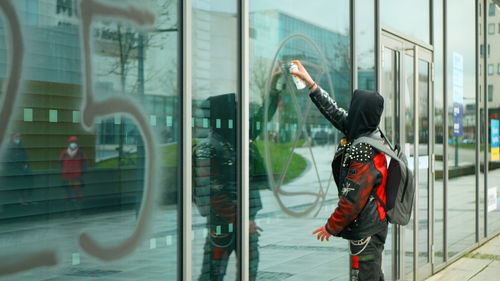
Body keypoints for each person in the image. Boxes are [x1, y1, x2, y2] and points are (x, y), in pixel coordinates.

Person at [291, 60, 389, 280]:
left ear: (360, 111)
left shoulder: (363, 151)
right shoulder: (367, 132)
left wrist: (330, 226)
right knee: (371, 275)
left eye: (354, 107)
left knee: (364, 277)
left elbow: (351, 201)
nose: (350, 111)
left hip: (367, 229)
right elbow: (334, 112)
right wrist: (310, 84)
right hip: (372, 224)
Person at [1, 133, 34, 205]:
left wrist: (26, 164)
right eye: (16, 136)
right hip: (14, 169)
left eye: (19, 136)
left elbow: (26, 157)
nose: (18, 138)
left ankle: (29, 198)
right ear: (13, 137)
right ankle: (21, 199)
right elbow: (8, 160)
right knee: (20, 180)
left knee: (31, 178)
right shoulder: (9, 147)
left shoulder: (21, 146)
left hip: (23, 168)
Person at [59, 136, 87, 210]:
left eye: (74, 142)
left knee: (78, 193)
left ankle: (78, 209)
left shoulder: (81, 153)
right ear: (68, 144)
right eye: (71, 142)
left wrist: (81, 173)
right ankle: (68, 209)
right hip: (66, 177)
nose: (73, 144)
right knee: (68, 194)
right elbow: (60, 164)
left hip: (77, 177)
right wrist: (62, 172)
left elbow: (84, 164)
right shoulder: (64, 153)